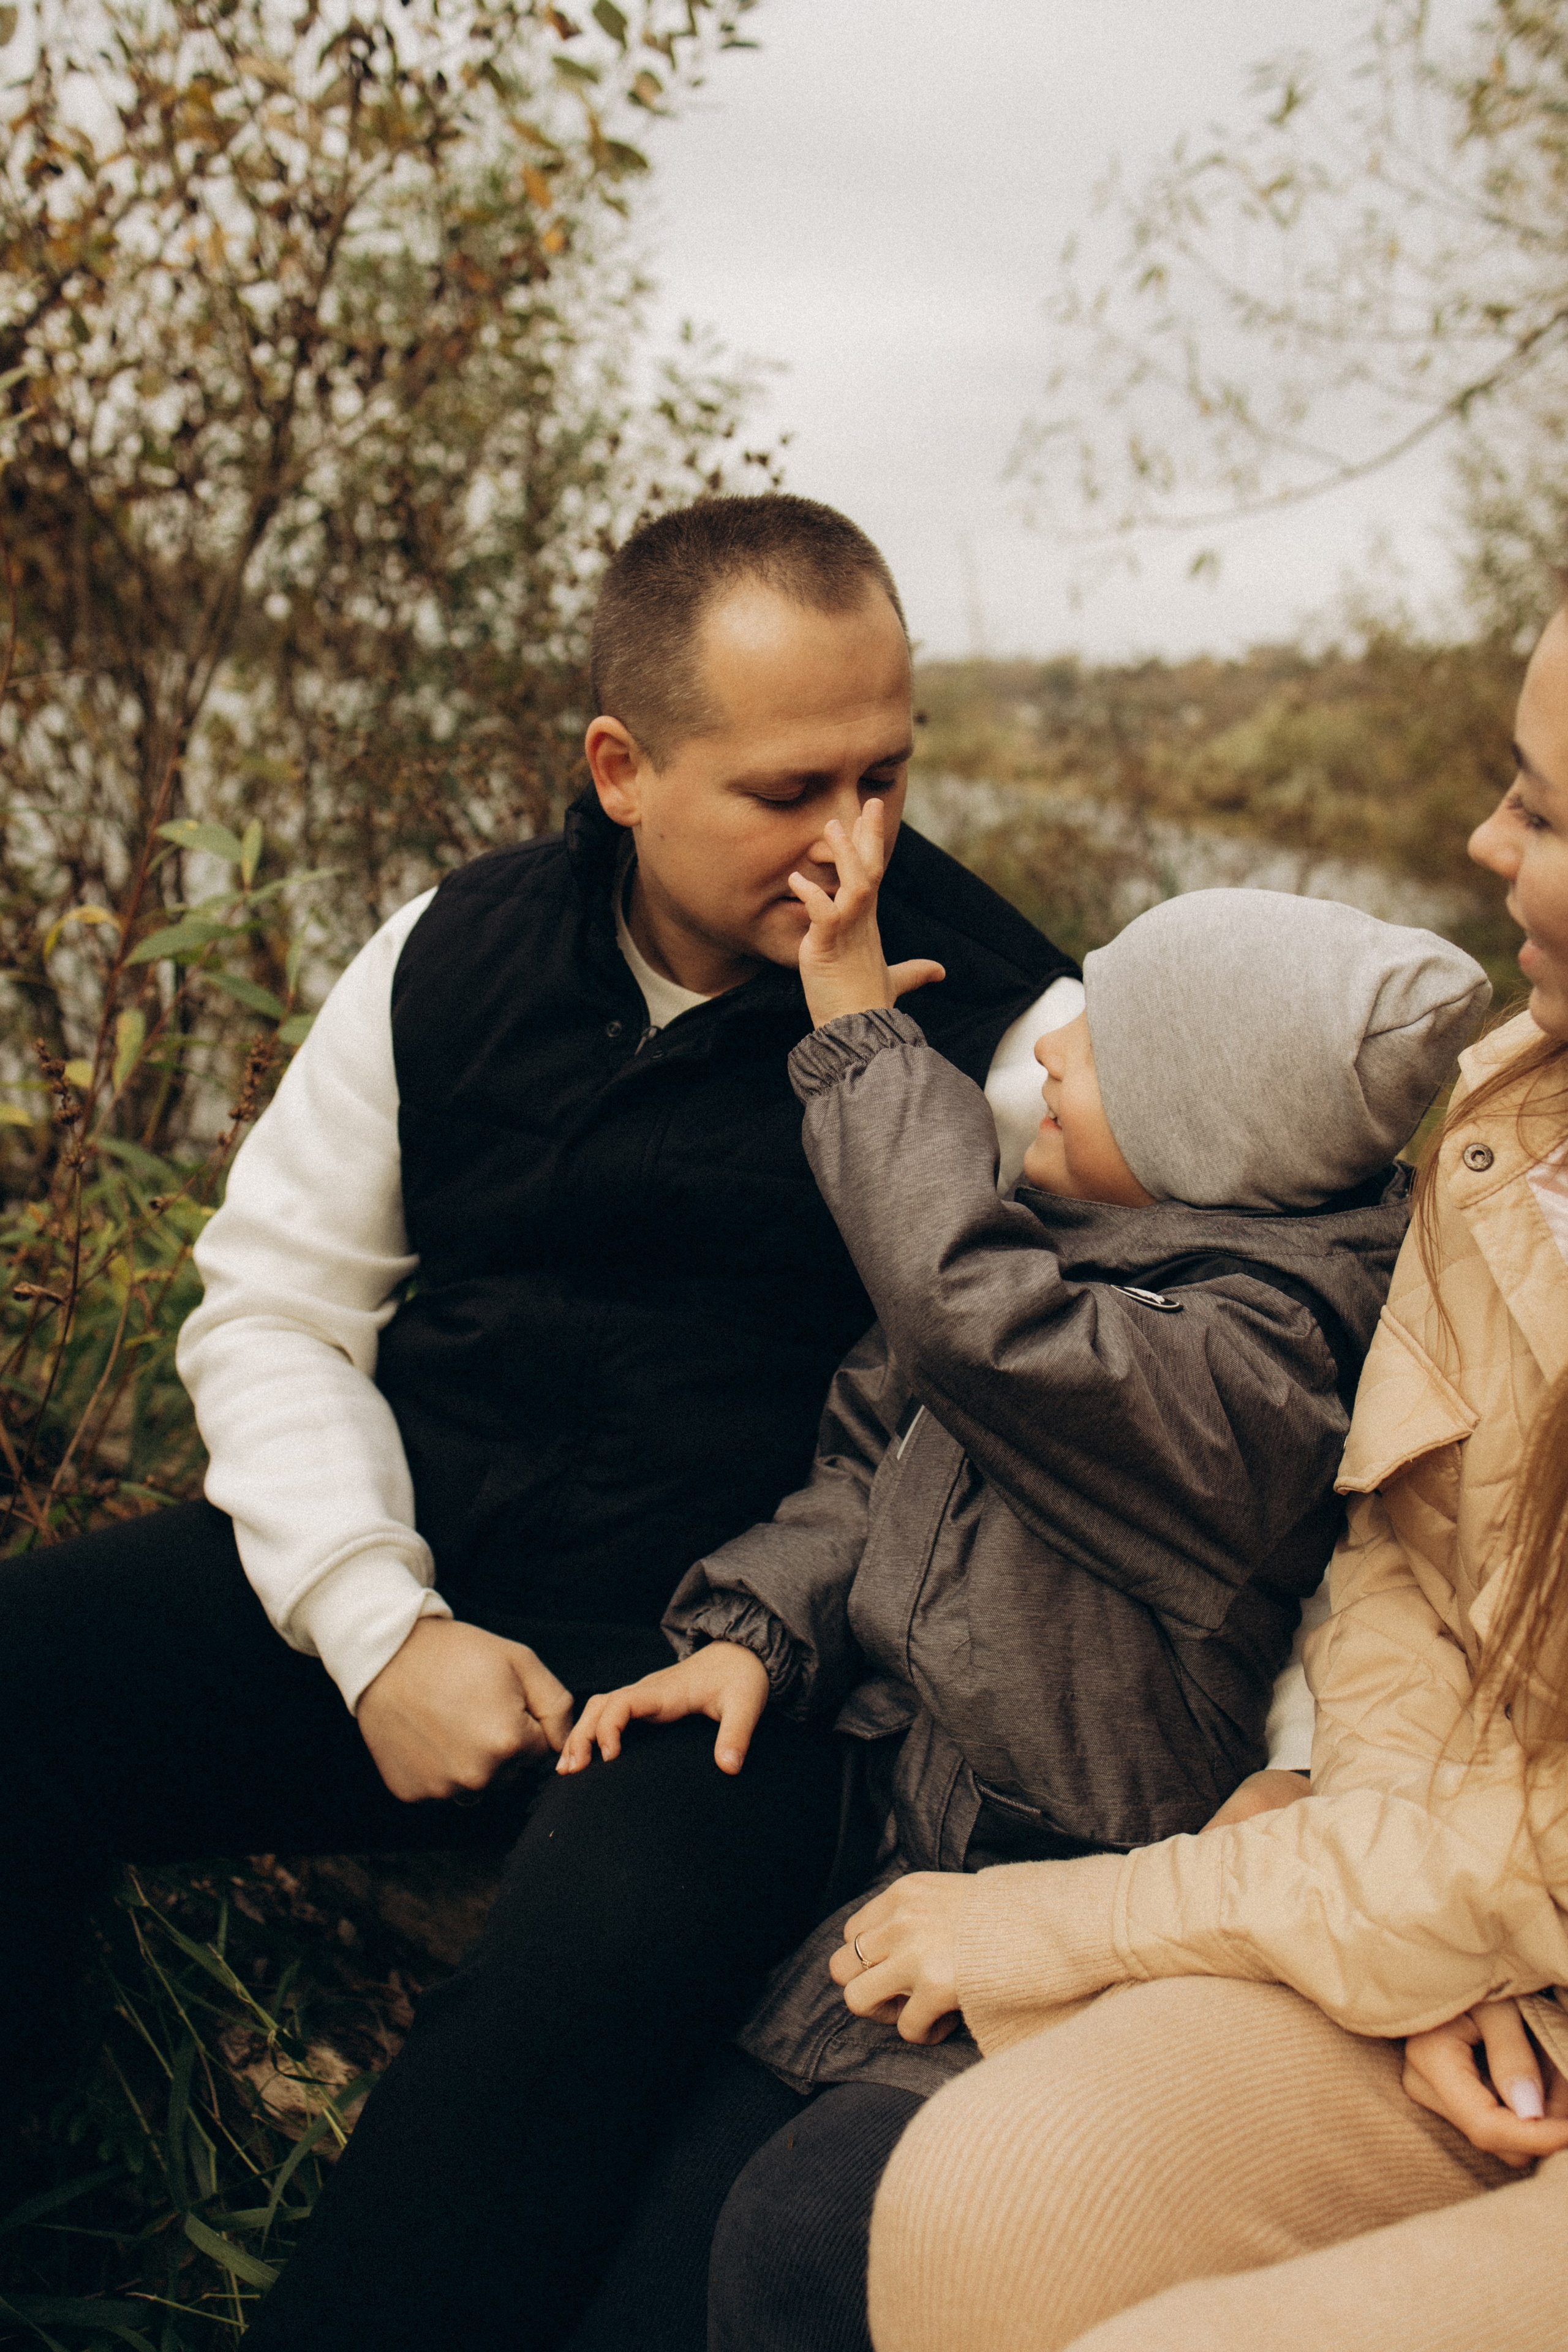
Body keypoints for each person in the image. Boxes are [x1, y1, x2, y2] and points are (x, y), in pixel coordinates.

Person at [0, 496, 1084, 2348]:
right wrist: (378, 1624)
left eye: (889, 774)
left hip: (744, 1692)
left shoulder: (1011, 1025)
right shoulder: (454, 951)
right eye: (791, 790)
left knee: (584, 1975)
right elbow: (272, 1303)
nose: (859, 844)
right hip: (427, 1595)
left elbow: (1074, 1409)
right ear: (621, 770)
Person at [553, 802, 1487, 2352]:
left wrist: (856, 1036)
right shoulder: (1086, 1228)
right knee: (658, 2243)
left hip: (1058, 1943)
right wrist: (756, 1626)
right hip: (894, 1870)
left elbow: (972, 1329)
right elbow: (879, 1455)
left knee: (805, 2247)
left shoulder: (1253, 1378)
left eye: (1099, 1047)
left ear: (1212, 1140)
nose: (1046, 1058)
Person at [864, 597, 1568, 2352]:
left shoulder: (1230, 1327)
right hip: (1472, 1916)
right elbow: (1410, 1565)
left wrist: (1096, 1919)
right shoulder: (1515, 1135)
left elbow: (976, 1332)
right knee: (971, 2213)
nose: (1483, 843)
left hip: (1475, 1903)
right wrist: (1382, 1868)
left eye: (1547, 810)